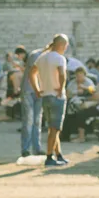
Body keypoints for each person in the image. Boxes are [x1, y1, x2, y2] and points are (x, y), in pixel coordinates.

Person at [30, 34, 70, 166]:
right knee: (55, 128)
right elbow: (62, 74)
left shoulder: (42, 58)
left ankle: (58, 154)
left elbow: (32, 73)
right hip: (56, 95)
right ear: (61, 45)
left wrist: (37, 89)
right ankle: (49, 156)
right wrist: (61, 88)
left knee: (52, 128)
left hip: (45, 95)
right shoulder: (60, 58)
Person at [18, 44, 45, 158]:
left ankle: (37, 148)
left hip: (40, 91)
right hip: (29, 90)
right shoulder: (35, 55)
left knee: (37, 120)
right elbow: (34, 73)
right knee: (29, 120)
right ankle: (26, 149)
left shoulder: (51, 57)